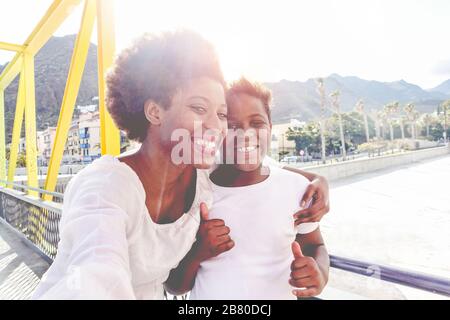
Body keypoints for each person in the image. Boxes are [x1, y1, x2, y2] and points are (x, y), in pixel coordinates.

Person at [32, 31, 329, 300]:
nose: (216, 126)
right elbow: (97, 270)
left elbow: (260, 168)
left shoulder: (200, 176)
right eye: (199, 108)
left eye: (221, 114)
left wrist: (317, 180)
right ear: (154, 111)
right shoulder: (105, 187)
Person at [165, 78, 329, 299]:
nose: (246, 134)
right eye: (232, 125)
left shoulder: (297, 188)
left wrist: (319, 272)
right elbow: (174, 287)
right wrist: (198, 252)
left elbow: (315, 245)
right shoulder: (193, 191)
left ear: (270, 128)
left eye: (257, 123)